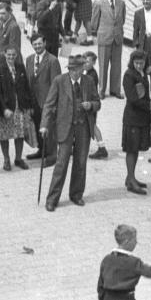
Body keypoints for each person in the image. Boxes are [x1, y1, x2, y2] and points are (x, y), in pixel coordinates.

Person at [40, 53, 100, 211]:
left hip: (83, 127)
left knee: (80, 162)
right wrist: (44, 125)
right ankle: (52, 199)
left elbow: (98, 102)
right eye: (72, 69)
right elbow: (49, 104)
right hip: (65, 127)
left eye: (78, 69)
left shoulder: (89, 81)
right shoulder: (59, 81)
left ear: (82, 68)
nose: (75, 72)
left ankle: (76, 194)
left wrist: (91, 105)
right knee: (61, 163)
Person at [96, 224, 151, 300]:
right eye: (134, 239)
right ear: (126, 242)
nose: (136, 242)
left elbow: (100, 285)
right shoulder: (134, 262)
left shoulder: (106, 259)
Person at [0, 46, 37, 172]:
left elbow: (26, 87)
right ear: (4, 54)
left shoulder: (20, 67)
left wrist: (30, 105)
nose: (11, 57)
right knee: (4, 134)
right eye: (9, 55)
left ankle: (18, 158)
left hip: (20, 106)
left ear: (16, 55)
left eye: (13, 55)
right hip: (6, 107)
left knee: (20, 133)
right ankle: (6, 159)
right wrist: (4, 108)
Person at [25, 35, 61, 164]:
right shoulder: (29, 60)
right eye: (35, 44)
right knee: (37, 126)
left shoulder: (52, 60)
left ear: (45, 43)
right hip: (33, 101)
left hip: (47, 101)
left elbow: (56, 84)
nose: (37, 46)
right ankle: (42, 150)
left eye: (39, 44)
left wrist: (53, 103)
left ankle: (51, 156)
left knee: (49, 128)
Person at [121, 50, 151, 195]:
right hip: (133, 117)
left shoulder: (143, 73)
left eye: (142, 63)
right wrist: (149, 106)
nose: (139, 65)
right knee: (132, 149)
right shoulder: (129, 75)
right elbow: (132, 98)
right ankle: (131, 180)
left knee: (136, 148)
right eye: (137, 63)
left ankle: (130, 177)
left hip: (141, 117)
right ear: (132, 62)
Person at [93, 0, 126, 98]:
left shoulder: (121, 3)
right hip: (104, 37)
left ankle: (115, 90)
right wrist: (99, 33)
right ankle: (101, 91)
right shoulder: (99, 3)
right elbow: (94, 22)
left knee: (117, 66)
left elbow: (123, 19)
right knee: (103, 66)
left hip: (117, 38)